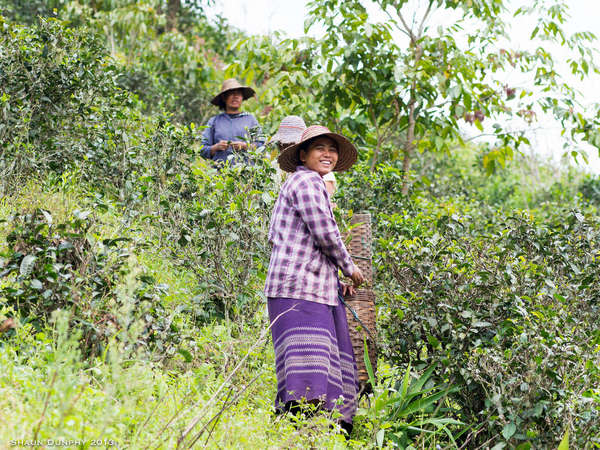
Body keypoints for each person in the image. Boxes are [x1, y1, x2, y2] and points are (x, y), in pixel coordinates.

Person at [264, 125, 365, 435]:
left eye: (332, 150)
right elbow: (325, 234)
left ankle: (319, 435)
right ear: (303, 155)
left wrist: (337, 281)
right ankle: (297, 436)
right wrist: (350, 268)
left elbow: (310, 244)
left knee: (322, 367)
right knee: (304, 374)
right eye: (319, 148)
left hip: (312, 290)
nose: (327, 154)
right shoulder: (306, 182)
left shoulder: (309, 183)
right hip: (298, 290)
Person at [270, 116, 337, 202]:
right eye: (284, 144)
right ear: (280, 145)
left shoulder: (322, 167)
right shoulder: (274, 167)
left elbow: (323, 200)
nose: (287, 148)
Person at [200, 78, 264, 164]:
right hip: (220, 174)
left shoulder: (251, 120)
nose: (235, 96)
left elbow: (262, 147)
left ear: (242, 97)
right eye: (231, 93)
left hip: (247, 174)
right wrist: (216, 147)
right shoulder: (214, 121)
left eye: (238, 93)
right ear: (224, 97)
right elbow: (202, 150)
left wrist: (245, 146)